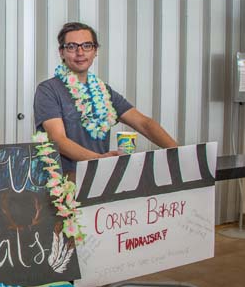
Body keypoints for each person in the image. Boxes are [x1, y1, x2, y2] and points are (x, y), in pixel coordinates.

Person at [34, 21, 177, 178]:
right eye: (72, 46)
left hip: (98, 181)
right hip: (62, 184)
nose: (80, 52)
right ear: (62, 52)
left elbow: (143, 123)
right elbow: (58, 139)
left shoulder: (104, 91)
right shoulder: (48, 90)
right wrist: (99, 160)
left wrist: (179, 153)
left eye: (87, 46)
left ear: (95, 51)